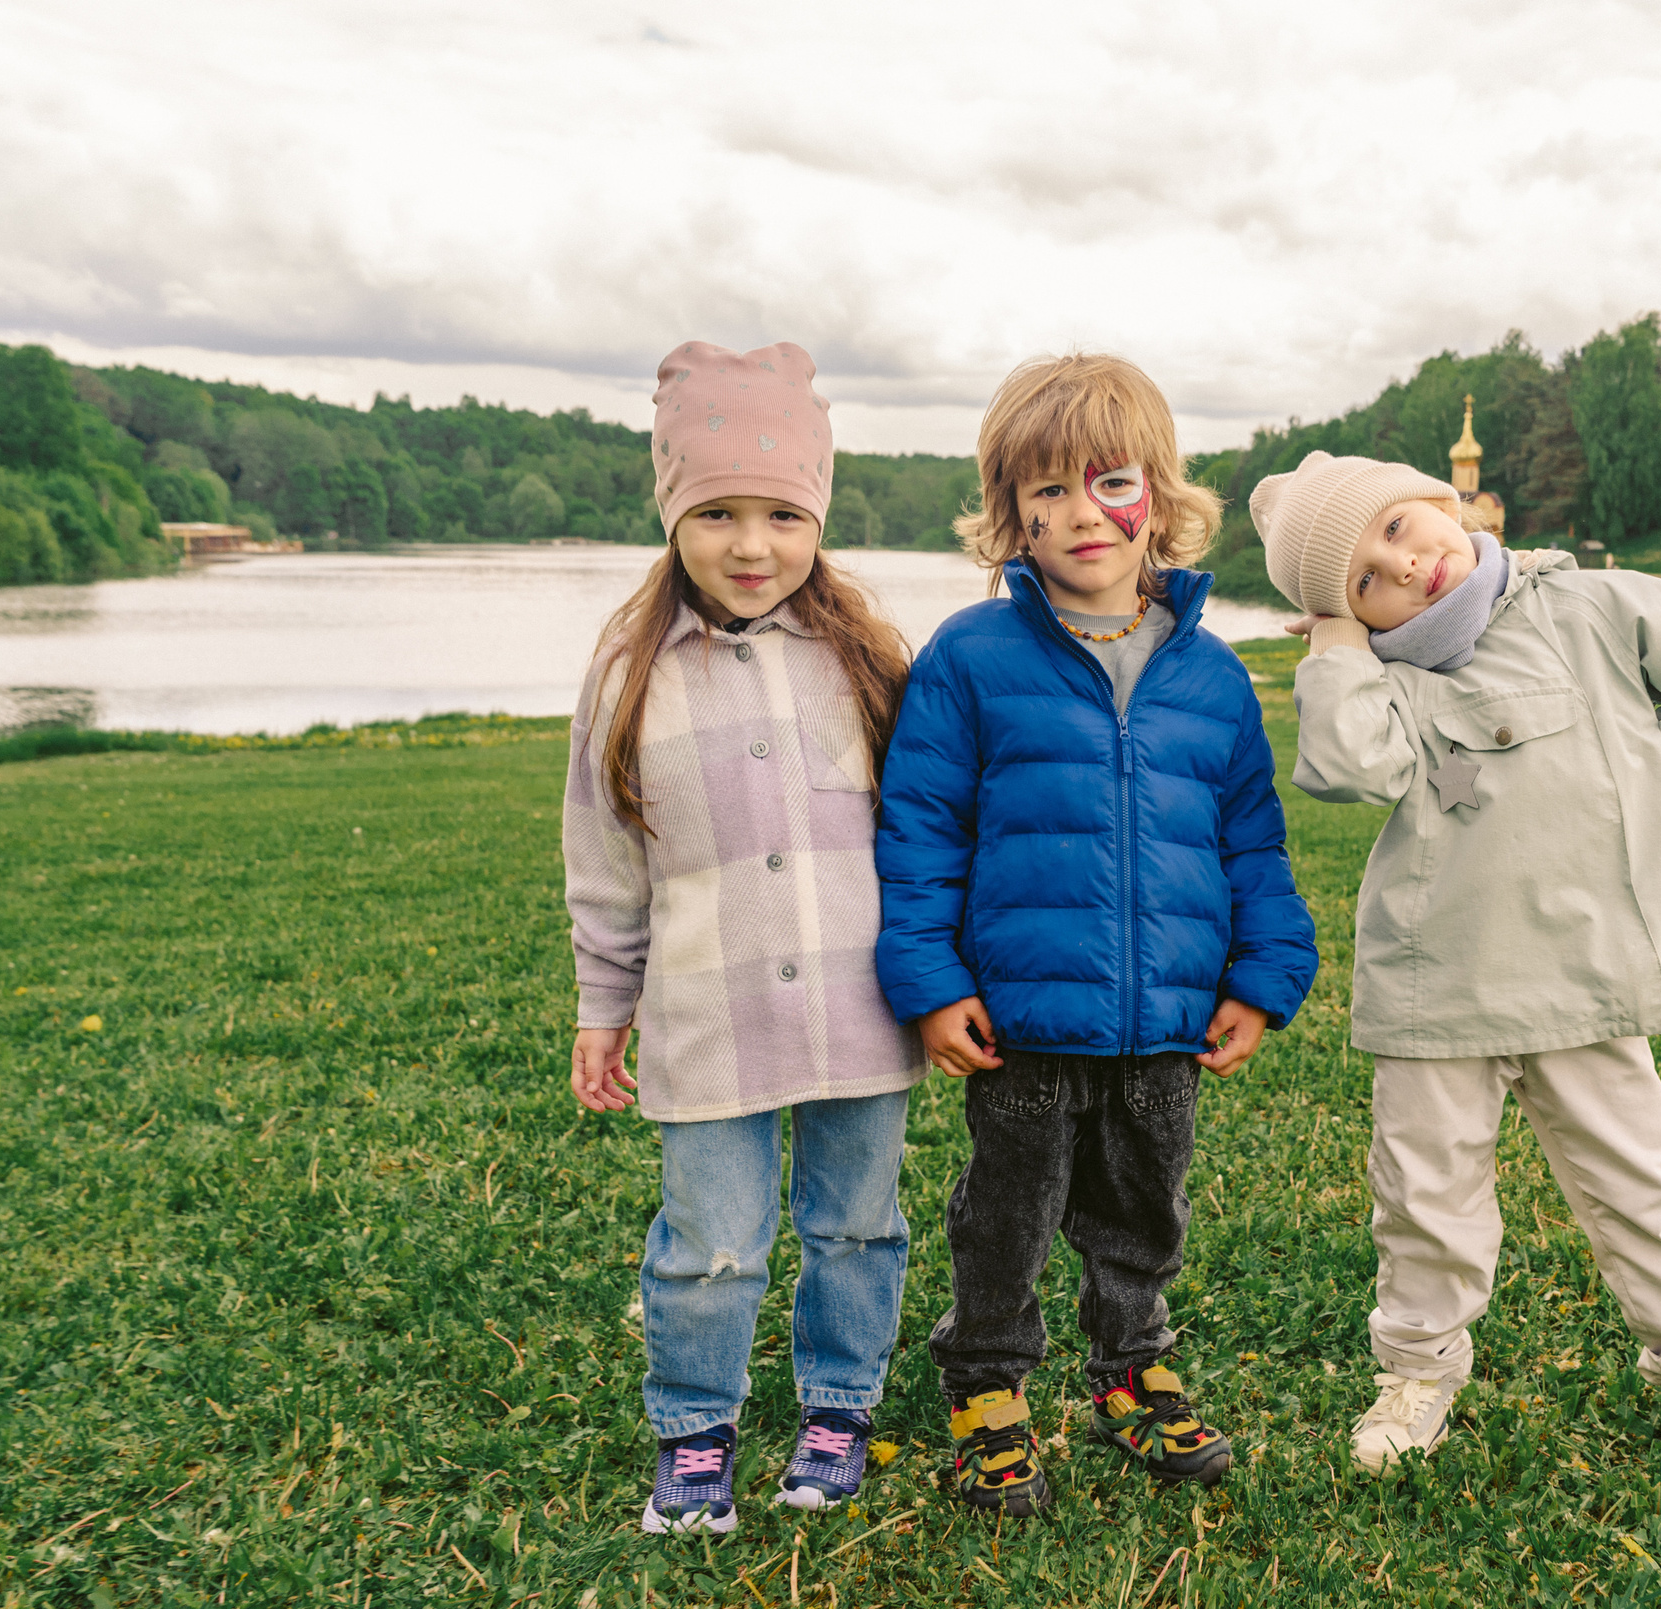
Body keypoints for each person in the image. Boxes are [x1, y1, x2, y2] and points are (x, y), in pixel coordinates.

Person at [1254, 449, 1661, 1490]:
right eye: (1363, 583)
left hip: (1585, 972)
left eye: (1396, 529)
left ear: (1440, 500)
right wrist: (1336, 644)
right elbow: (1343, 766)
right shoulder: (1382, 672)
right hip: (1437, 980)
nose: (1403, 568)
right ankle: (1418, 1371)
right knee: (1425, 1196)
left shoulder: (1599, 606)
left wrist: (1642, 786)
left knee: (1645, 1189)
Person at [875, 354, 1319, 1516]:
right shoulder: (970, 660)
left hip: (1166, 1018)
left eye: (1106, 482)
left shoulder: (1212, 678)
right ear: (1010, 516)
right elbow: (919, 829)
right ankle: (986, 1385)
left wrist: (1262, 981)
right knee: (1007, 1214)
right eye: (1047, 493)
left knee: (1143, 1205)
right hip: (1021, 1018)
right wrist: (929, 982)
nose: (1081, 514)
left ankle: (1132, 1368)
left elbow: (1250, 844)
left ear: (1158, 498)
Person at [564, 341, 924, 1536]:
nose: (751, 544)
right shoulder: (627, 673)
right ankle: (695, 1433)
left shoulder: (869, 662)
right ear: (672, 515)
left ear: (818, 514)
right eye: (716, 513)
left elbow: (929, 834)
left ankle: (835, 1412)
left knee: (856, 1225)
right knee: (709, 1241)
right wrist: (601, 1005)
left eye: (781, 513)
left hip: (861, 1008)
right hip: (707, 1014)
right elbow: (607, 860)